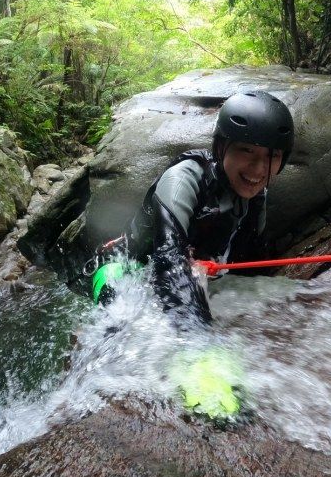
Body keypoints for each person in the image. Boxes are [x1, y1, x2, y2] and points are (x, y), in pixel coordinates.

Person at [93, 90, 294, 328]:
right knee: (118, 327)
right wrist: (198, 338)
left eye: (273, 155)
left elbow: (252, 258)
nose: (259, 169)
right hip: (126, 271)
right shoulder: (183, 179)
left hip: (194, 273)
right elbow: (168, 261)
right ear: (221, 147)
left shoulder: (256, 197)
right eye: (246, 150)